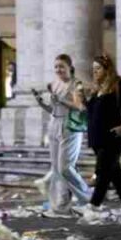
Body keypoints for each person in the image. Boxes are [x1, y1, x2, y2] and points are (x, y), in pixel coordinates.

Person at [31, 54, 90, 215]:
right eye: (56, 66)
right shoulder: (54, 84)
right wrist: (41, 102)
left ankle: (88, 197)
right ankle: (61, 205)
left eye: (61, 66)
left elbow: (80, 107)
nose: (58, 69)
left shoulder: (76, 84)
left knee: (65, 167)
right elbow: (54, 109)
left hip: (70, 125)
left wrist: (61, 100)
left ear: (69, 67)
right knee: (57, 168)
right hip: (54, 123)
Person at [84, 54, 121, 209]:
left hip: (114, 136)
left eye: (98, 68)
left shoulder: (119, 84)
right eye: (93, 69)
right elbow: (89, 111)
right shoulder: (96, 89)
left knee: (103, 171)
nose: (95, 72)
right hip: (97, 138)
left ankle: (93, 206)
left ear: (107, 69)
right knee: (114, 171)